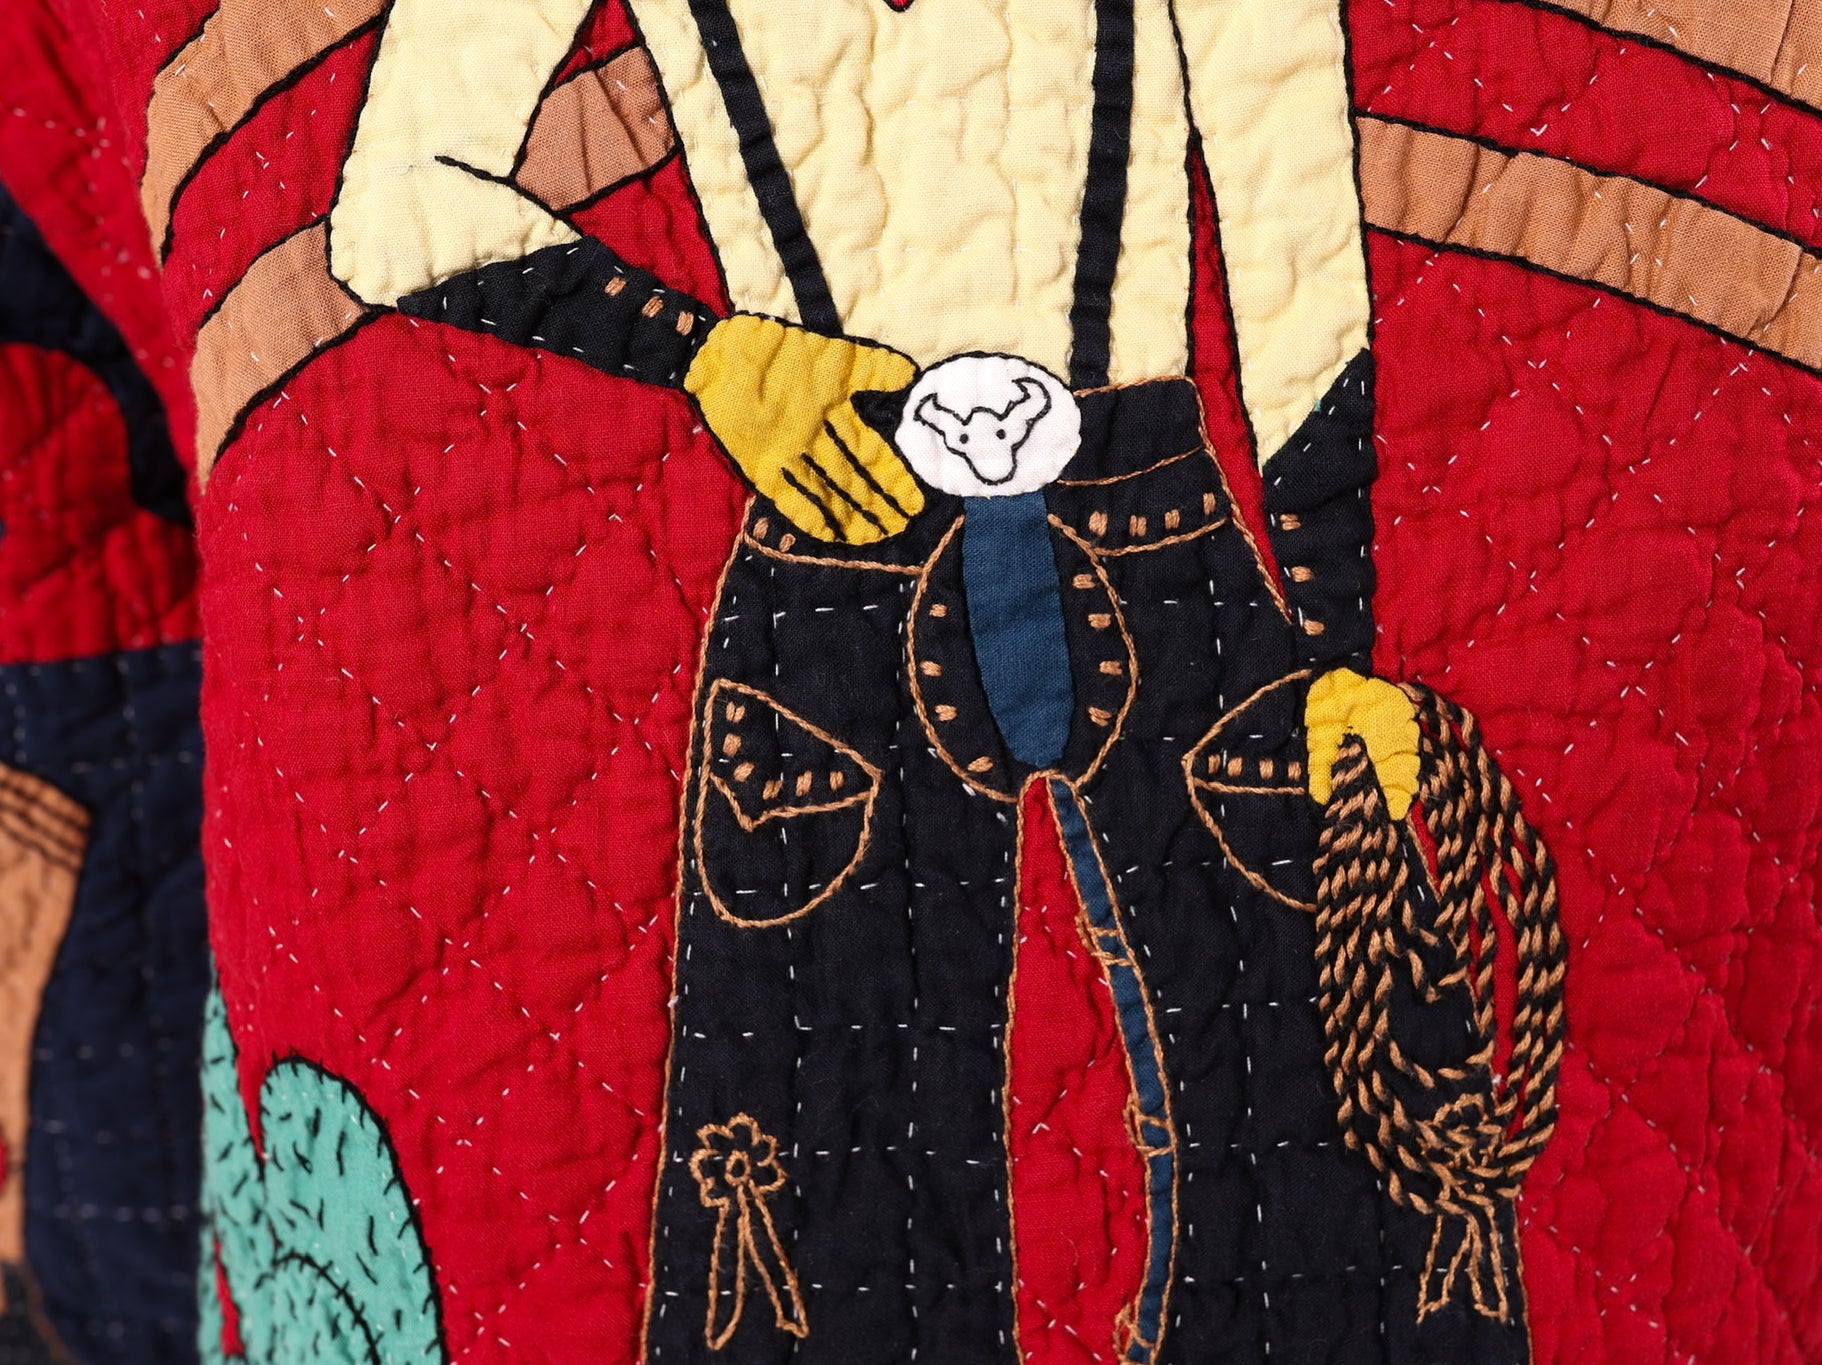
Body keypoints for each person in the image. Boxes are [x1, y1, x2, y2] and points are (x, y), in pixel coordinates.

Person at [323, 2, 1501, 1360]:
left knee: (1342, 1162)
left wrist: (1339, 646)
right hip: (867, 530)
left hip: (1048, 548)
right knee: (813, 1201)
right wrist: (705, 351)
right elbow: (389, 206)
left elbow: (1283, 176)